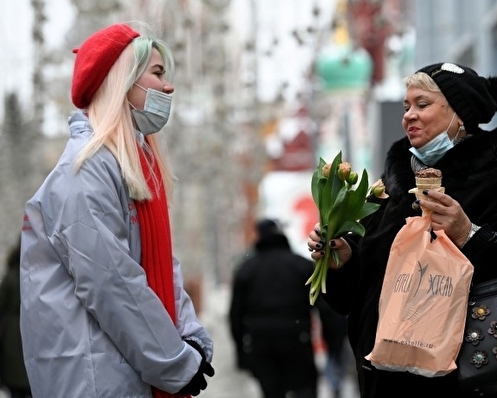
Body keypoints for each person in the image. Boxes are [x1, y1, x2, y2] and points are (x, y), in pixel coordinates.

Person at [307, 62, 497, 398]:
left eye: (422, 104)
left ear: (461, 113)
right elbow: (354, 298)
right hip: (386, 381)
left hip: (468, 381)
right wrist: (344, 261)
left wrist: (470, 234)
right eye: (406, 106)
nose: (409, 115)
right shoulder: (391, 188)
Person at [19, 23, 214, 398]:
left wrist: (188, 333)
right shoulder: (84, 171)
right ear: (122, 83)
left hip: (118, 375)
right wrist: (174, 361)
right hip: (95, 381)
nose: (168, 87)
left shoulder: (123, 167)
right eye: (157, 73)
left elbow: (158, 265)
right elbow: (113, 284)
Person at [229, 219, 318, 398]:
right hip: (296, 336)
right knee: (304, 389)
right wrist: (334, 344)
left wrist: (241, 353)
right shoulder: (301, 265)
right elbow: (324, 306)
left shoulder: (247, 269)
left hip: (261, 341)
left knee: (271, 391)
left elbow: (235, 314)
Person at [0, 238, 31, 398]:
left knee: (16, 385)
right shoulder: (36, 277)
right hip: (31, 330)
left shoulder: (12, 276)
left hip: (13, 335)